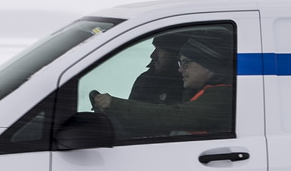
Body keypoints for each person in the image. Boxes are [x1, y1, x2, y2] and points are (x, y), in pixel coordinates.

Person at [92, 31, 235, 137]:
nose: (180, 69)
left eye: (185, 63)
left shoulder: (222, 96)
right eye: (180, 63)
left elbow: (171, 116)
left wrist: (115, 104)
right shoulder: (199, 91)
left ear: (208, 64)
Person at [126, 32, 188, 105]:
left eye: (159, 50)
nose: (152, 55)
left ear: (176, 54)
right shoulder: (145, 81)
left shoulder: (189, 84)